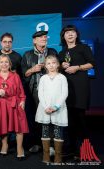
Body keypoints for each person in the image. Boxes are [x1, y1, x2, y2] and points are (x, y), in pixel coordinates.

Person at [58, 25, 95, 159]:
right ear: (64, 36)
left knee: (80, 119)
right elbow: (58, 69)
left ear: (76, 35)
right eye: (67, 33)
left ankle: (85, 150)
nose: (70, 34)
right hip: (66, 89)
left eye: (72, 32)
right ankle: (72, 148)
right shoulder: (62, 53)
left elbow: (92, 63)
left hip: (80, 88)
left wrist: (77, 67)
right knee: (69, 120)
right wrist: (62, 65)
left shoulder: (83, 48)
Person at [21, 30, 57, 153]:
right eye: (40, 37)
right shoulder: (27, 54)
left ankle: (51, 145)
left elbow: (58, 69)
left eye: (45, 37)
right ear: (34, 40)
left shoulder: (52, 52)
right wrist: (33, 69)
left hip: (50, 90)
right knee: (35, 119)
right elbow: (24, 74)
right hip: (34, 91)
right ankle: (36, 143)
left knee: (50, 117)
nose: (44, 38)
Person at [0, 55, 29, 161]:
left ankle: (20, 148)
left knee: (19, 126)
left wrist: (23, 101)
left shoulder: (15, 76)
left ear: (10, 64)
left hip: (15, 103)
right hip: (1, 104)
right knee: (3, 126)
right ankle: (4, 145)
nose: (4, 64)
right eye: (1, 62)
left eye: (6, 62)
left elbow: (21, 90)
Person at [35, 55, 68, 163]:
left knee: (58, 131)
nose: (51, 65)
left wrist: (56, 107)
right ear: (45, 66)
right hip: (45, 109)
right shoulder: (43, 78)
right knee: (45, 131)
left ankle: (58, 156)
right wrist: (46, 107)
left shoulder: (62, 77)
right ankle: (46, 155)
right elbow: (40, 93)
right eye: (48, 63)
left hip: (59, 109)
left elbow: (64, 94)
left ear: (58, 64)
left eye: (53, 63)